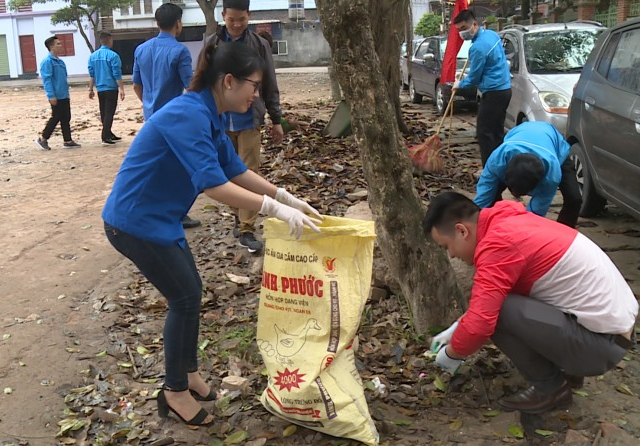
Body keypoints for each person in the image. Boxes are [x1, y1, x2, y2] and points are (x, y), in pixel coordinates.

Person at [103, 41, 322, 427]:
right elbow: (213, 185)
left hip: (161, 219)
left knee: (190, 293)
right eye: (254, 85)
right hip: (135, 222)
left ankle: (187, 374)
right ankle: (173, 392)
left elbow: (234, 169)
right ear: (229, 81)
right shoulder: (187, 114)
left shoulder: (210, 112)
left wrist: (287, 196)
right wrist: (274, 210)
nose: (257, 94)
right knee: (184, 296)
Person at [424, 192, 637, 414]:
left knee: (500, 313)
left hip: (602, 347)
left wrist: (451, 354)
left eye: (447, 247)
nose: (452, 255)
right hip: (616, 333)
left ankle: (551, 389)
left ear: (461, 230)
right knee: (500, 304)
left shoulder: (498, 245)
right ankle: (571, 370)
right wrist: (459, 326)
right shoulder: (508, 221)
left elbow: (481, 323)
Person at [201, 0, 284, 253]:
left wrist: (276, 119)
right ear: (223, 15)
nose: (237, 25)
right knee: (227, 171)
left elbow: (269, 81)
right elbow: (202, 80)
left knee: (249, 170)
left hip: (250, 119)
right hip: (220, 120)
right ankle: (239, 215)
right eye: (231, 20)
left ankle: (247, 228)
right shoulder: (212, 44)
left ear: (249, 16)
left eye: (242, 20)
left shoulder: (258, 45)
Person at [132, 3, 199, 228]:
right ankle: (176, 213)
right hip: (173, 121)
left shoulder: (141, 49)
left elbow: (136, 86)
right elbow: (190, 87)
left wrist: (149, 105)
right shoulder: (180, 51)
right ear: (178, 23)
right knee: (182, 167)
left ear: (157, 22)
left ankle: (152, 211)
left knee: (154, 165)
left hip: (150, 119)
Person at [474, 121, 582, 228]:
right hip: (519, 135)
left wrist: (523, 231)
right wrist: (472, 219)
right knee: (492, 194)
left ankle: (562, 235)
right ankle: (494, 226)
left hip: (555, 147)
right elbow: (484, 195)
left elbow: (535, 213)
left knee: (574, 198)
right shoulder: (498, 160)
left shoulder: (551, 176)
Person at [453, 10, 511, 166]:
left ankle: (489, 171)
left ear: (474, 24)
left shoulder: (477, 48)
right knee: (497, 132)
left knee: (484, 133)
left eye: (464, 27)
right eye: (459, 30)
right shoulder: (491, 35)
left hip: (494, 92)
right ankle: (500, 165)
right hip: (505, 89)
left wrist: (460, 84)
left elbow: (474, 78)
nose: (462, 32)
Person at [35, 36, 81, 150]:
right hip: (56, 96)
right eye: (58, 44)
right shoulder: (47, 62)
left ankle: (68, 140)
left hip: (64, 94)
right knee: (56, 117)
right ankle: (43, 139)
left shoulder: (60, 62)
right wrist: (51, 95)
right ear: (51, 47)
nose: (61, 45)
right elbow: (47, 80)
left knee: (66, 117)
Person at [88, 32, 125, 145]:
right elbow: (116, 73)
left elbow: (91, 74)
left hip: (100, 88)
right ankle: (105, 135)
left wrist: (90, 89)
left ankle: (108, 133)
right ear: (109, 41)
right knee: (109, 112)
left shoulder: (93, 56)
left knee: (104, 111)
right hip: (111, 87)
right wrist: (122, 88)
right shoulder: (113, 55)